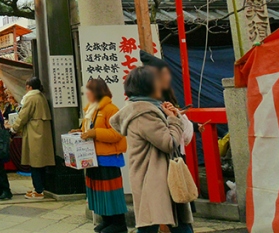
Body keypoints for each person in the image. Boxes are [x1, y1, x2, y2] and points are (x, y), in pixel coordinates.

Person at [111, 67, 194, 233]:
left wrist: (172, 115)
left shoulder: (146, 109)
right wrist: (173, 119)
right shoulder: (144, 114)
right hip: (154, 178)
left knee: (157, 223)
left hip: (154, 176)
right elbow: (169, 143)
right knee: (160, 223)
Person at [79, 78, 128, 233]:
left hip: (109, 158)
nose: (87, 94)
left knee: (111, 193)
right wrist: (79, 132)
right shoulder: (91, 110)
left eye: (89, 90)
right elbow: (88, 129)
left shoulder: (111, 109)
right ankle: (107, 220)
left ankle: (119, 223)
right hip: (93, 158)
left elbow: (117, 133)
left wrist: (95, 133)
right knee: (99, 192)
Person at [11, 77, 55, 200]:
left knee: (35, 162)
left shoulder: (31, 98)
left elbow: (23, 116)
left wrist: (14, 128)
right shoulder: (41, 96)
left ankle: (38, 190)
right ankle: (40, 188)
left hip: (34, 133)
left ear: (29, 87)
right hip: (41, 132)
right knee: (40, 162)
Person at [140, 51, 194, 152]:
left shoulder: (165, 92)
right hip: (158, 149)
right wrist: (172, 116)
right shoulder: (143, 103)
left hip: (172, 144)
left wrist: (176, 114)